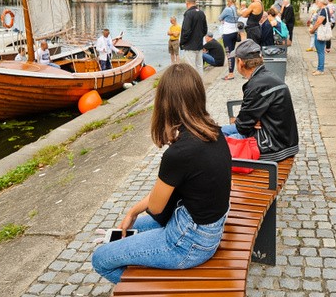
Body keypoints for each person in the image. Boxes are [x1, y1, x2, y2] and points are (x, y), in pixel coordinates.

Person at [91, 64, 231, 283]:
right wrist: (133, 212)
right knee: (130, 229)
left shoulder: (180, 153)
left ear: (166, 103)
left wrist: (136, 211)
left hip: (189, 242)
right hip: (204, 228)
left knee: (100, 258)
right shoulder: (214, 131)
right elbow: (164, 197)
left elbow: (157, 206)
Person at [221, 39, 299, 162]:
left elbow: (242, 127)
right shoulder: (269, 76)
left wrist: (250, 121)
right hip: (285, 140)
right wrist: (253, 120)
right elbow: (247, 120)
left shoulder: (256, 86)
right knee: (220, 131)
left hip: (272, 145)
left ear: (240, 62)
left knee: (218, 140)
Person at [180, 0, 208, 73]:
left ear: (187, 3)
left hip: (190, 46)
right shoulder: (201, 13)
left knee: (190, 67)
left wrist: (182, 42)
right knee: (199, 66)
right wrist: (199, 37)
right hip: (199, 45)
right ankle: (200, 83)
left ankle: (193, 84)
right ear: (195, 2)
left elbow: (186, 31)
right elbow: (205, 29)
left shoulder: (188, 14)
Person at [307, 0, 330, 75]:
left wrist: (312, 30)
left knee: (320, 52)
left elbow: (318, 22)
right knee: (320, 51)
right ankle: (319, 68)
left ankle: (320, 69)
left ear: (322, 2)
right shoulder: (325, 9)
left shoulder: (323, 10)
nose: (317, 3)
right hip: (320, 32)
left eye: (319, 1)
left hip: (319, 33)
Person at [218, 0, 239, 80]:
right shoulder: (236, 9)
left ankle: (230, 73)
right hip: (235, 32)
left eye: (227, 0)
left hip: (227, 33)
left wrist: (224, 19)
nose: (226, 2)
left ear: (230, 1)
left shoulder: (227, 9)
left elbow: (219, 18)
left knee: (228, 53)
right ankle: (231, 71)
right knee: (232, 52)